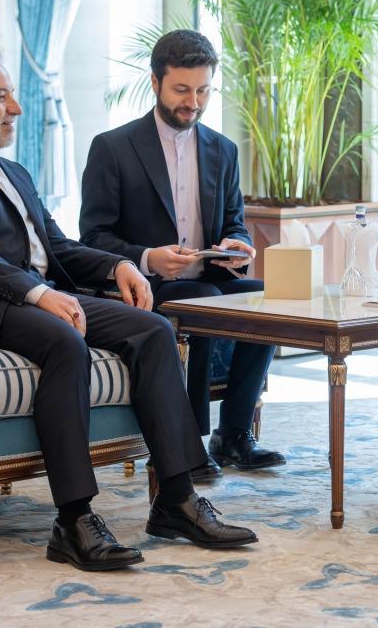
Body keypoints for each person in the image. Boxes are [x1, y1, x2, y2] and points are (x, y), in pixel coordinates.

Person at [0, 50, 257, 573]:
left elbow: (57, 246)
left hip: (32, 295)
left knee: (153, 329)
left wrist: (119, 266)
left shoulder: (11, 170)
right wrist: (36, 294)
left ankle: (176, 500)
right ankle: (74, 520)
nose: (16, 107)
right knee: (66, 341)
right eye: (1, 97)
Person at [80, 30, 283, 480]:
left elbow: (233, 223)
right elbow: (91, 236)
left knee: (268, 296)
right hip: (145, 286)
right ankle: (186, 444)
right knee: (204, 299)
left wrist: (235, 246)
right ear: (155, 83)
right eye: (182, 90)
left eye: (203, 90)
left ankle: (233, 435)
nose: (194, 102)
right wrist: (147, 257)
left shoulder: (223, 150)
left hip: (208, 277)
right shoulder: (113, 148)